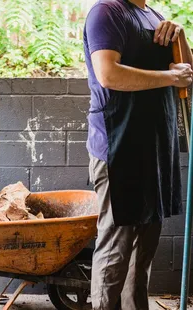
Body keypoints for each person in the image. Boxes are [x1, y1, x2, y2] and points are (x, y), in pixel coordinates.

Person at [83, 0, 193, 309]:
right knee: (115, 250)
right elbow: (108, 74)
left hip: (156, 150)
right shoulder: (107, 11)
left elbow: (188, 72)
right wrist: (168, 77)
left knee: (143, 252)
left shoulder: (153, 15)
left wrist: (181, 37)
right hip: (120, 149)